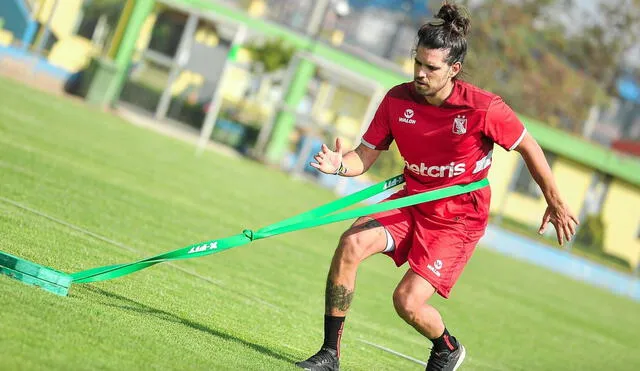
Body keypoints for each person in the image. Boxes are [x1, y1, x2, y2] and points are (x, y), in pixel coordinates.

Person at [295, 2, 579, 370]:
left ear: (454, 70)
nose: (421, 74)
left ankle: (446, 347)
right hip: (413, 199)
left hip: (458, 218)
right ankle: (330, 355)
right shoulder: (397, 99)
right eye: (418, 64)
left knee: (407, 302)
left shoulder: (483, 107)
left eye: (431, 68)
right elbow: (363, 156)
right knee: (350, 242)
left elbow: (528, 145)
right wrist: (339, 166)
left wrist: (554, 201)